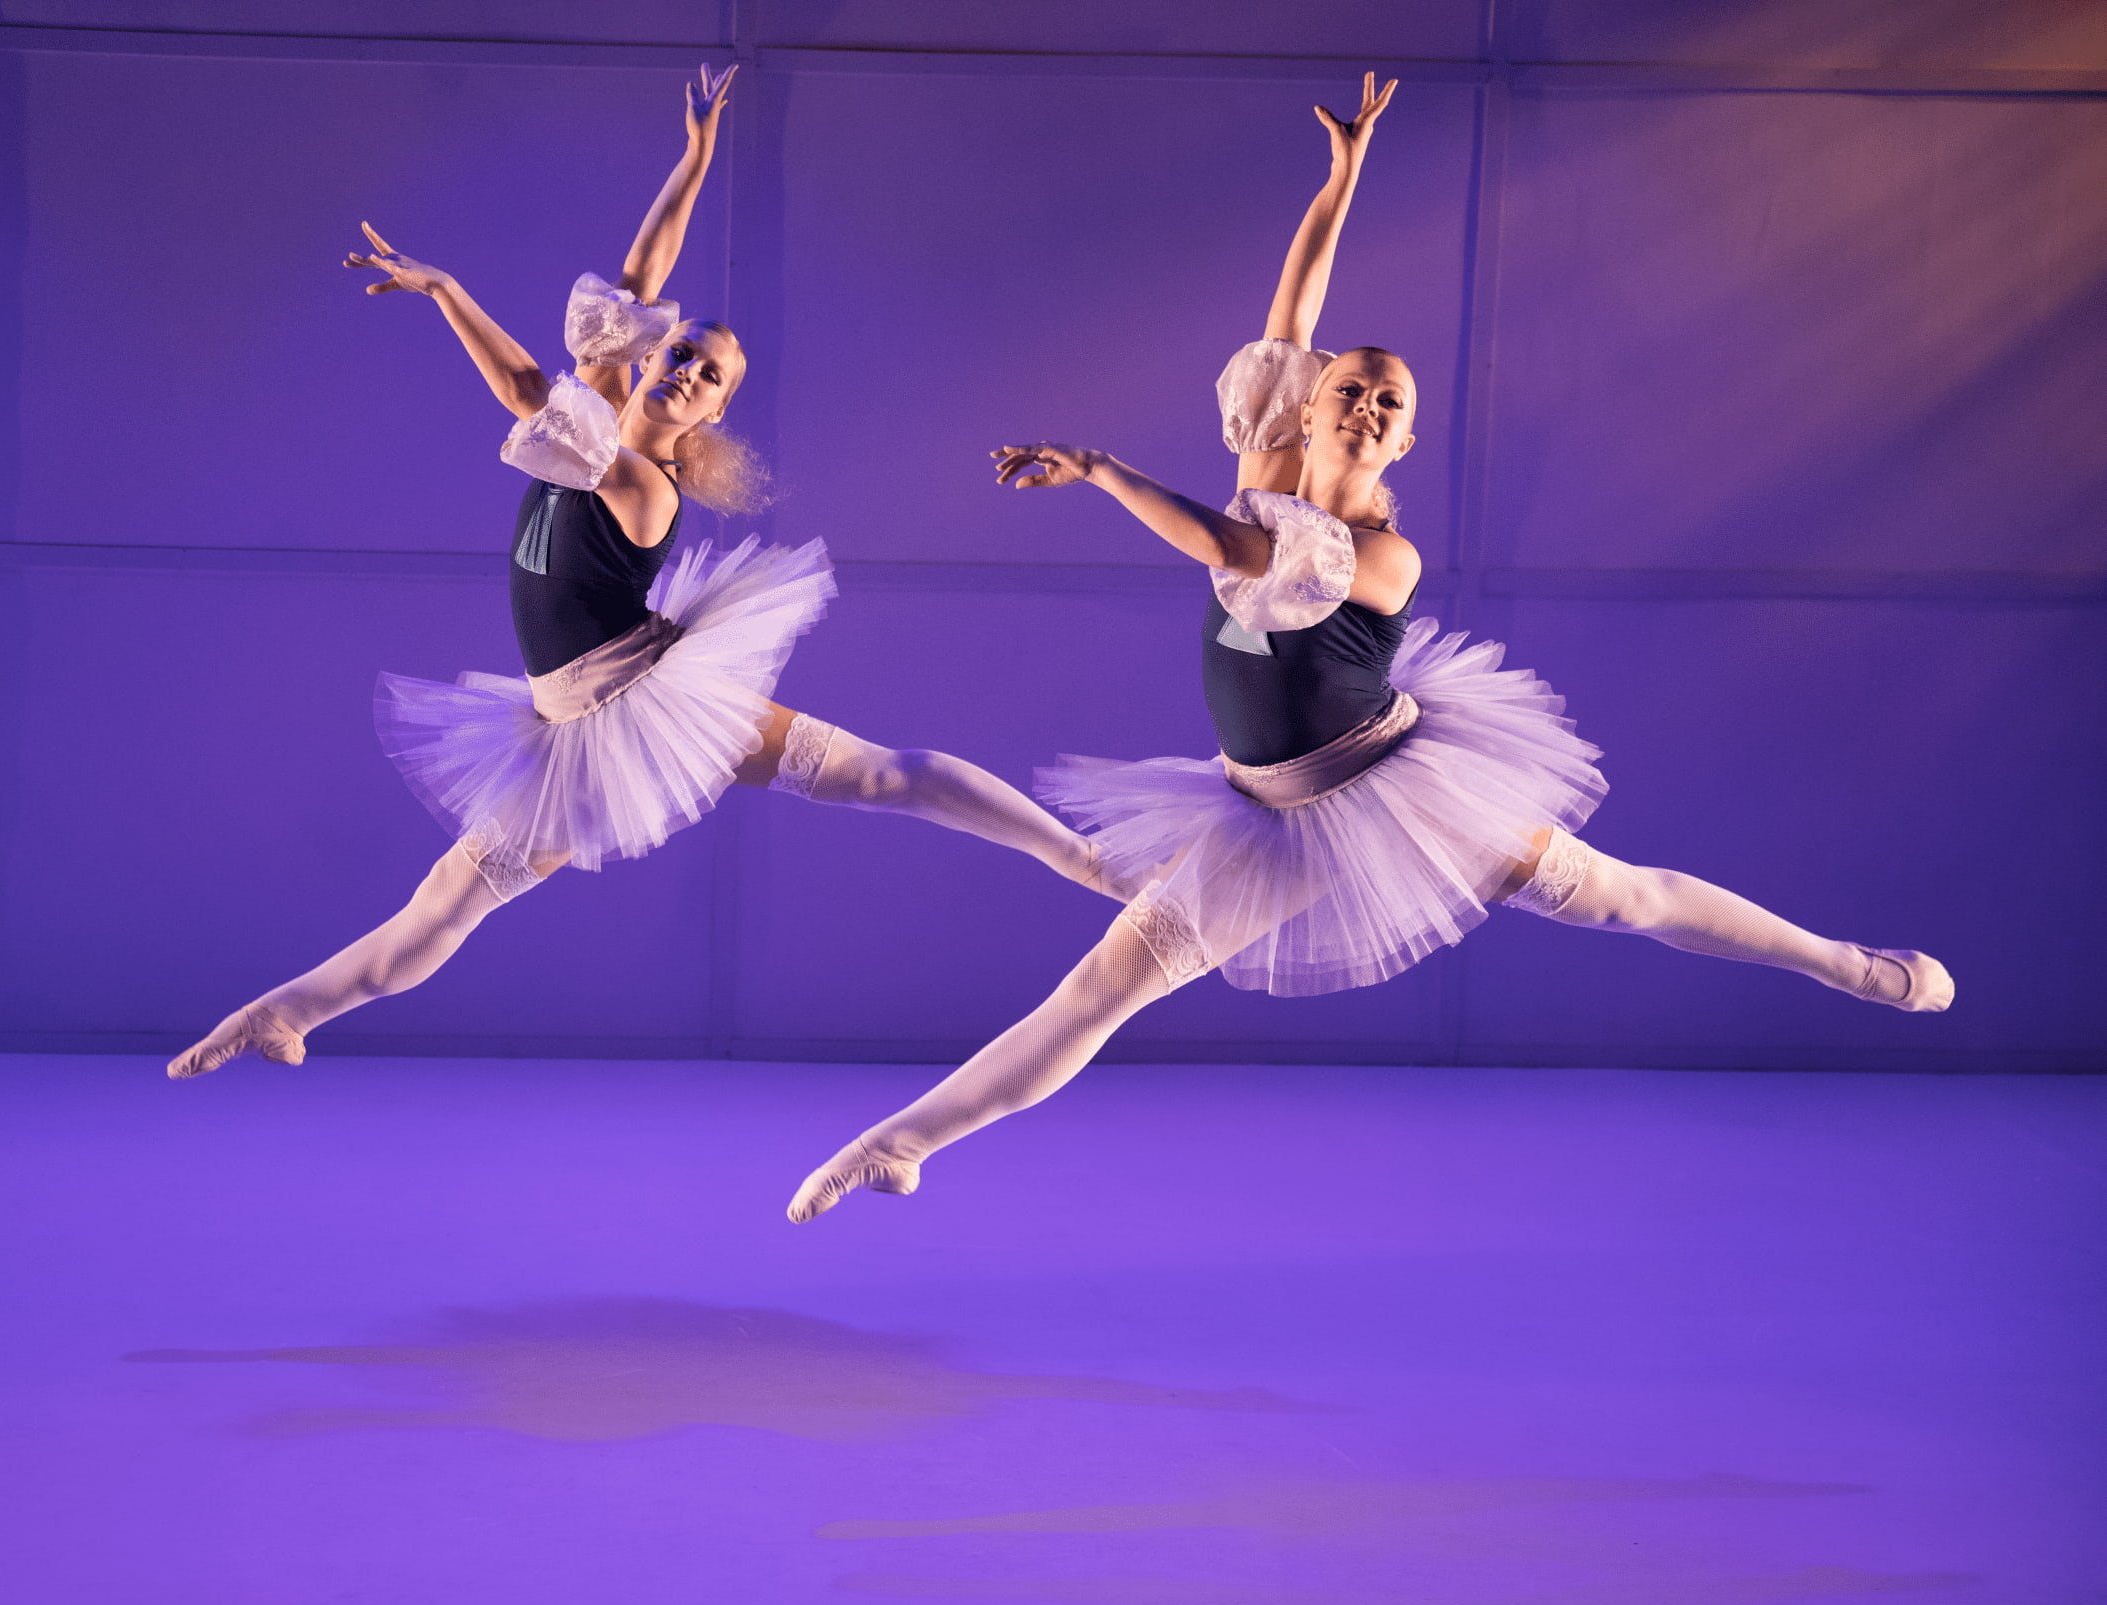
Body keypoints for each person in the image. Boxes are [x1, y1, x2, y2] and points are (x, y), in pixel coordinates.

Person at [785, 73, 1950, 1220]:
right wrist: (1341, 180)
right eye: (1356, 386)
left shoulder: (1376, 553)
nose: (1372, 405)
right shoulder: (1270, 460)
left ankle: (1850, 966)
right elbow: (1290, 316)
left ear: (1403, 443)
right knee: (1102, 986)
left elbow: (1227, 549)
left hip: (1392, 795)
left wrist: (1099, 468)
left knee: (1616, 897)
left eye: (1394, 403)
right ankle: (900, 1144)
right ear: (1309, 406)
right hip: (1255, 810)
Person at [171, 65, 1115, 1079]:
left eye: (711, 378)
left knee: (877, 775)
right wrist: (698, 156)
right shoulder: (607, 394)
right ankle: (281, 1014)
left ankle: (1085, 859)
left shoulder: (640, 481)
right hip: (560, 730)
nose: (690, 372)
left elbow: (526, 388)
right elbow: (636, 277)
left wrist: (445, 290)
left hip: (649, 703)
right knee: (446, 900)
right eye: (686, 354)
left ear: (711, 416)